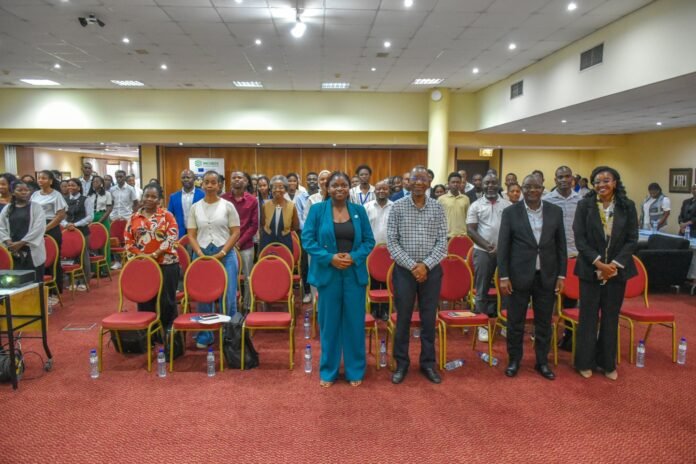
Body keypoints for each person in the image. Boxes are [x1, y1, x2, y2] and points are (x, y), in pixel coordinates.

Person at [303, 171, 375, 387]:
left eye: (344, 185)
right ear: (328, 188)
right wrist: (330, 258)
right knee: (329, 324)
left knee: (354, 323)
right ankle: (328, 371)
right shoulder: (317, 210)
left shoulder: (359, 211)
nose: (340, 189)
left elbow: (369, 241)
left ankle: (355, 370)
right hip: (328, 273)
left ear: (349, 188)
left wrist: (354, 257)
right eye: (335, 185)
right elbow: (307, 240)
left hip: (353, 274)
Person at [498, 174, 567, 380]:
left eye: (536, 187)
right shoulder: (510, 212)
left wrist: (561, 275)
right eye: (527, 187)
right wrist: (504, 276)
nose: (532, 190)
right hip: (518, 276)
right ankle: (514, 360)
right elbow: (503, 246)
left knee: (544, 322)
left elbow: (561, 246)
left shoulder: (555, 211)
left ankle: (542, 362)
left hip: (546, 275)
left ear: (543, 189)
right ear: (522, 189)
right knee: (515, 322)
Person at [574, 166, 638, 381]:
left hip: (616, 272)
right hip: (590, 269)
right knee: (588, 317)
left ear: (615, 183)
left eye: (606, 180)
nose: (601, 185)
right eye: (597, 181)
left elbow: (632, 239)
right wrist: (599, 264)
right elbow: (580, 238)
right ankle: (584, 362)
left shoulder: (627, 206)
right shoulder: (584, 205)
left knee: (610, 318)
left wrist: (614, 265)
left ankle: (607, 363)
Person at [387, 166, 448, 385]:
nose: (419, 182)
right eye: (415, 178)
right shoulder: (397, 207)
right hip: (404, 272)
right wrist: (414, 266)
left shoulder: (438, 208)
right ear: (408, 182)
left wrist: (426, 266)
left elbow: (442, 242)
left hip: (431, 272)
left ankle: (428, 363)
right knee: (403, 318)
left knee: (429, 319)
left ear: (429, 182)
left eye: (423, 179)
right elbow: (392, 242)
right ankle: (401, 363)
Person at [187, 171, 241, 349]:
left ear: (219, 185)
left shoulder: (228, 206)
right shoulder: (195, 207)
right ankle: (206, 334)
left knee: (229, 296)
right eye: (206, 182)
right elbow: (191, 234)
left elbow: (235, 232)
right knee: (204, 296)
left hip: (225, 254)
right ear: (202, 184)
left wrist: (223, 252)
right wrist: (199, 253)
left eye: (213, 182)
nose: (210, 185)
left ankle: (229, 335)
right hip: (202, 255)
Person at [124, 183, 180, 331]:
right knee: (145, 300)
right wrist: (144, 257)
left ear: (159, 200)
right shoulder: (133, 218)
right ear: (142, 197)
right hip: (143, 265)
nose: (149, 199)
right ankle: (148, 334)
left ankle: (168, 333)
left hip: (167, 263)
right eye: (146, 196)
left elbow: (172, 237)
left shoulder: (167, 216)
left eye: (153, 197)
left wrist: (155, 254)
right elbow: (129, 242)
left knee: (166, 301)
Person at [466, 174, 511, 342]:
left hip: (505, 252)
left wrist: (503, 247)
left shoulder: (507, 205)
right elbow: (471, 230)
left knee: (507, 289)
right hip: (483, 252)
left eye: (493, 182)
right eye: (487, 183)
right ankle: (482, 325)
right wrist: (487, 246)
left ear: (498, 185)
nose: (490, 185)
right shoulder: (475, 205)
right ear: (482, 186)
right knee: (482, 289)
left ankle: (505, 324)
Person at [543, 166, 582, 351]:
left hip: (574, 256)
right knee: (548, 299)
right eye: (560, 177)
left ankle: (569, 337)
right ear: (555, 179)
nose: (564, 180)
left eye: (567, 176)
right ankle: (545, 336)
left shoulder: (581, 201)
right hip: (552, 257)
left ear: (572, 179)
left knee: (571, 300)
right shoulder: (546, 200)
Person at [221, 171, 258, 313]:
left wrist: (239, 242)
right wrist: (230, 243)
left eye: (240, 177)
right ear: (230, 181)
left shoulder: (252, 200)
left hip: (246, 245)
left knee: (248, 277)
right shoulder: (223, 199)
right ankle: (230, 306)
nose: (237, 180)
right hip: (226, 246)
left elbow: (254, 225)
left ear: (246, 181)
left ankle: (247, 306)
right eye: (234, 178)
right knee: (228, 277)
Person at [0, 180, 46, 283]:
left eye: (26, 190)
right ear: (13, 192)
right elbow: (1, 227)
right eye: (20, 190)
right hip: (13, 250)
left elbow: (38, 228)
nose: (24, 192)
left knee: (34, 282)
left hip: (31, 249)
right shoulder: (8, 208)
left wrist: (21, 243)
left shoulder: (36, 207)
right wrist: (8, 242)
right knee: (15, 282)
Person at [31, 170, 67, 294]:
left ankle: (55, 290)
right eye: (39, 178)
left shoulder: (56, 195)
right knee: (40, 258)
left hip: (51, 227)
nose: (40, 180)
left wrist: (45, 228)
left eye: (44, 178)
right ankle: (43, 289)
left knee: (53, 259)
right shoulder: (35, 194)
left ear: (51, 181)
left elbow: (60, 215)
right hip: (37, 226)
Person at [364, 179, 393, 321]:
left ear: (389, 191)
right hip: (371, 251)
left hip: (390, 251)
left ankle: (386, 310)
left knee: (388, 281)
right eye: (379, 189)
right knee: (373, 280)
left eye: (384, 189)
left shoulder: (395, 207)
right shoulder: (367, 207)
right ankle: (374, 309)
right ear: (374, 191)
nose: (381, 191)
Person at [62, 178, 94, 291]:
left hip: (82, 231)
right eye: (69, 185)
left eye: (73, 185)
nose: (70, 187)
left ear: (79, 187)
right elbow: (61, 216)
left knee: (83, 256)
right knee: (71, 257)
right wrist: (66, 224)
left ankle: (85, 281)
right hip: (69, 232)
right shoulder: (64, 200)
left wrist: (75, 224)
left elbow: (90, 217)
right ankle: (73, 281)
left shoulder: (86, 199)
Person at [295, 172, 318, 303]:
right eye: (309, 179)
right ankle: (308, 292)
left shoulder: (323, 195)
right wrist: (310, 233)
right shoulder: (300, 197)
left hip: (321, 237)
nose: (312, 181)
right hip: (307, 235)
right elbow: (301, 218)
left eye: (314, 179)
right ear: (306, 181)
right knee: (305, 264)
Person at [259, 175, 299, 252]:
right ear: (271, 189)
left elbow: (295, 226)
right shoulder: (265, 205)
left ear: (285, 190)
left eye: (281, 187)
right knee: (267, 259)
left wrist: (285, 231)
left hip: (285, 240)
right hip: (267, 240)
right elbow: (263, 223)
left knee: (285, 259)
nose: (277, 190)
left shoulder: (291, 206)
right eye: (274, 187)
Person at [109, 170, 138, 269]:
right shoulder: (112, 189)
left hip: (127, 217)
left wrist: (133, 215)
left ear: (125, 177)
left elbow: (136, 203)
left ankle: (129, 259)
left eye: (121, 177)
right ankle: (117, 261)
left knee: (127, 239)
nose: (119, 179)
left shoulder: (130, 189)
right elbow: (111, 203)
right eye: (117, 177)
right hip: (115, 217)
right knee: (115, 240)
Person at [168, 169, 204, 239]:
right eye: (183, 178)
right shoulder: (174, 197)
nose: (185, 179)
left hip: (199, 232)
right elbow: (169, 216)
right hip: (180, 233)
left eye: (188, 177)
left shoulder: (202, 195)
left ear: (194, 179)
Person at [88, 176, 113, 272]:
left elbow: (109, 209)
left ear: (102, 183)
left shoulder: (107, 194)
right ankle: (95, 269)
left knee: (104, 243)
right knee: (93, 244)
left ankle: (105, 269)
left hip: (103, 217)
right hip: (92, 218)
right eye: (93, 181)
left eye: (97, 181)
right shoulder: (89, 195)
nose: (95, 183)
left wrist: (99, 222)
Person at [438, 172, 470, 239]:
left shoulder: (466, 199)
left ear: (460, 183)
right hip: (446, 236)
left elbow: (468, 218)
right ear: (448, 183)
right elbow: (437, 219)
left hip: (462, 236)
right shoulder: (441, 199)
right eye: (453, 182)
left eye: (458, 182)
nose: (455, 184)